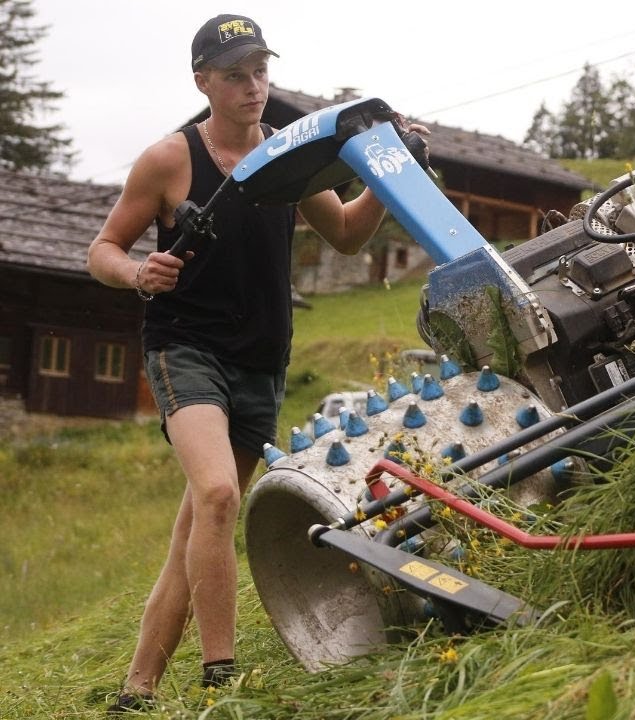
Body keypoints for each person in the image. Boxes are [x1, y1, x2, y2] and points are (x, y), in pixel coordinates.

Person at [86, 14, 425, 713]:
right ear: (203, 81)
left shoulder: (287, 160)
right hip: (185, 349)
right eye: (236, 74)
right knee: (217, 497)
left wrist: (397, 165)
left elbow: (351, 236)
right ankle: (221, 676)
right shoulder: (169, 160)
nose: (253, 86)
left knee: (196, 526)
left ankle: (138, 687)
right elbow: (104, 249)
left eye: (260, 71)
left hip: (261, 361)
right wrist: (135, 273)